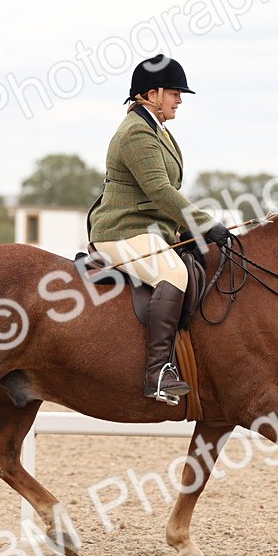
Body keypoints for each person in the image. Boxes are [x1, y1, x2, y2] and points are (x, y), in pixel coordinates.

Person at [87, 54, 231, 402]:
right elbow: (160, 191)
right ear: (151, 94)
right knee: (173, 274)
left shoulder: (158, 130)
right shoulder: (136, 132)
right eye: (174, 93)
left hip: (150, 231)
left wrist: (185, 232)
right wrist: (203, 224)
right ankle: (157, 373)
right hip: (121, 232)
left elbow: (164, 195)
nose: (179, 99)